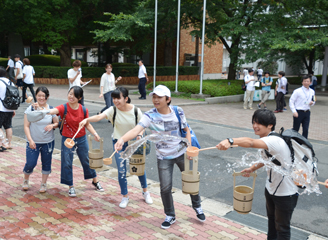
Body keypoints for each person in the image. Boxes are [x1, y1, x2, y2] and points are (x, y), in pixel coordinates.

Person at [114, 85, 205, 229]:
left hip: (182, 153)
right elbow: (136, 129)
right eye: (154, 97)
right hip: (163, 157)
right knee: (165, 188)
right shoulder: (150, 115)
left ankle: (197, 206)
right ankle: (170, 215)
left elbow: (186, 130)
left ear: (168, 99)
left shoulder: (178, 111)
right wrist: (122, 139)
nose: (155, 100)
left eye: (159, 97)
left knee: (191, 181)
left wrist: (188, 148)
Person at [216, 109, 299, 240]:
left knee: (282, 228)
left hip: (286, 194)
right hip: (271, 190)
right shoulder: (266, 140)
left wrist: (230, 140)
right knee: (272, 224)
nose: (255, 126)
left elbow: (250, 142)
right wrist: (252, 168)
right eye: (254, 122)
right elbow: (267, 160)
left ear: (270, 125)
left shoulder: (274, 141)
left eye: (259, 123)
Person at [80, 87, 153, 208]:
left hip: (134, 143)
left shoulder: (135, 111)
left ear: (126, 98)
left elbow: (143, 125)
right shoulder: (113, 110)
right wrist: (87, 119)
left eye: (118, 98)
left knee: (138, 168)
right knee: (121, 170)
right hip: (118, 143)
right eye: (113, 98)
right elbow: (99, 117)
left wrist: (140, 134)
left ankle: (145, 192)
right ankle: (125, 196)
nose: (115, 101)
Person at [31, 86, 104, 197]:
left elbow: (87, 124)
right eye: (70, 94)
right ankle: (70, 186)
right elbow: (52, 111)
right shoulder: (63, 107)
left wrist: (95, 134)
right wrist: (41, 109)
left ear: (79, 98)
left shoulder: (83, 109)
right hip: (67, 139)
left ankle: (95, 181)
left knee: (87, 160)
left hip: (81, 138)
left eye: (74, 95)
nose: (71, 97)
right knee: (67, 162)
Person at [23, 86, 59, 193]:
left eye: (44, 96)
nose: (41, 98)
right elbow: (26, 126)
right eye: (39, 95)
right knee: (31, 163)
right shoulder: (30, 109)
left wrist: (52, 126)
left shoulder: (51, 109)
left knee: (46, 163)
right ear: (36, 96)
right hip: (33, 141)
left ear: (47, 97)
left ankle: (43, 184)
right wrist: (30, 140)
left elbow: (57, 123)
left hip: (48, 142)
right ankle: (26, 179)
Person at [0, 66, 15, 150]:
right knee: (8, 126)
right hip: (9, 108)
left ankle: (4, 143)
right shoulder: (10, 82)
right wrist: (13, 109)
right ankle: (9, 143)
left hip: (1, 108)